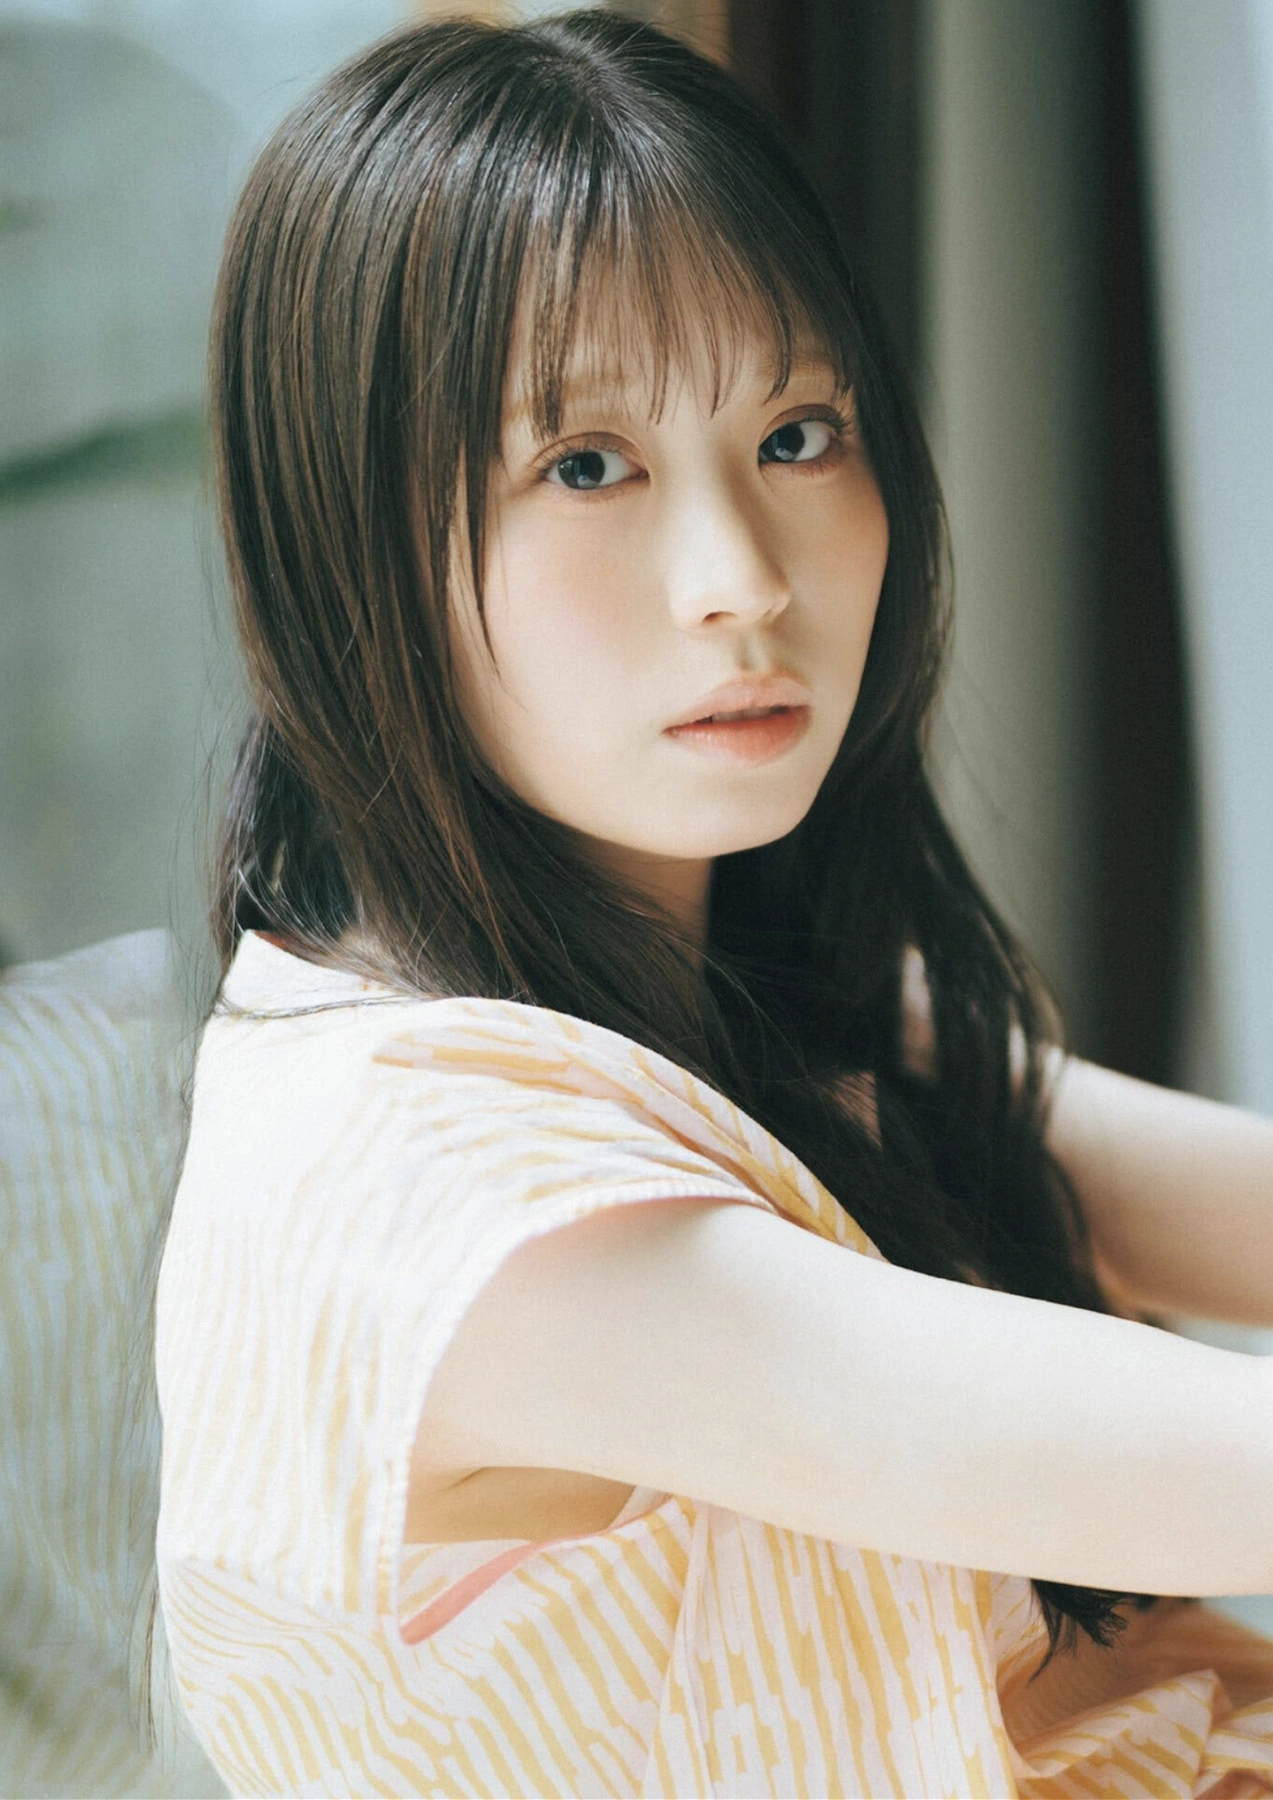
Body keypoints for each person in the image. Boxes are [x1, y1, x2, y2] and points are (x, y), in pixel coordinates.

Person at [152, 11, 1273, 1795]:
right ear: (351, 545)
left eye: (799, 434)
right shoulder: (445, 1200)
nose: (738, 580)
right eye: (585, 466)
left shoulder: (687, 985)